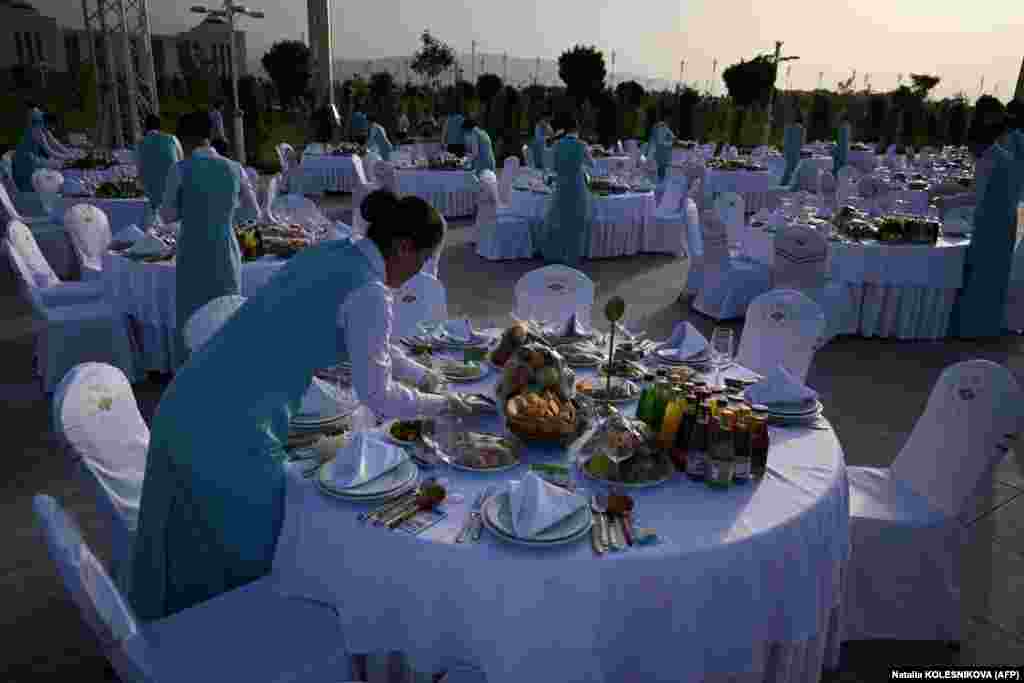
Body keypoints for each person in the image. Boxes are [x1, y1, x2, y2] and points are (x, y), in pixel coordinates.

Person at [131, 190, 467, 620]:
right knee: (255, 536)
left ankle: (172, 627)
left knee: (190, 531)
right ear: (404, 247)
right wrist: (443, 405)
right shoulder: (369, 291)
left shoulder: (334, 252)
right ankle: (223, 643)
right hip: (232, 420)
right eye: (422, 260)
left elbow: (373, 346)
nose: (419, 272)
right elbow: (377, 394)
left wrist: (427, 377)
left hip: (192, 394)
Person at [160, 116, 261, 363]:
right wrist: (225, 214)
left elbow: (167, 215)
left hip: (192, 249)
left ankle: (191, 369)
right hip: (225, 247)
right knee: (226, 309)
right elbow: (253, 213)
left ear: (185, 139)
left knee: (192, 312)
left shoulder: (180, 170)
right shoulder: (235, 168)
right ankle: (229, 364)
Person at [538, 116, 594, 266]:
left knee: (559, 219)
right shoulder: (582, 145)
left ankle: (556, 255)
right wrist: (580, 165)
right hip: (577, 185)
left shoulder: (557, 145)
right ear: (577, 129)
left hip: (561, 185)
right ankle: (572, 258)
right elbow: (592, 164)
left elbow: (554, 167)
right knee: (576, 221)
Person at [138, 114, 184, 227]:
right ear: (160, 127)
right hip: (175, 196)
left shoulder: (140, 144)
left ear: (145, 127)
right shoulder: (172, 139)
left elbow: (139, 169)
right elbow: (182, 162)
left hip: (153, 198)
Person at [12, 109, 61, 192]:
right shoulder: (37, 131)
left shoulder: (37, 130)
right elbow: (50, 151)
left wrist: (69, 154)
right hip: (25, 164)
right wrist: (68, 156)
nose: (52, 129)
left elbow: (55, 145)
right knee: (28, 186)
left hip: (28, 161)